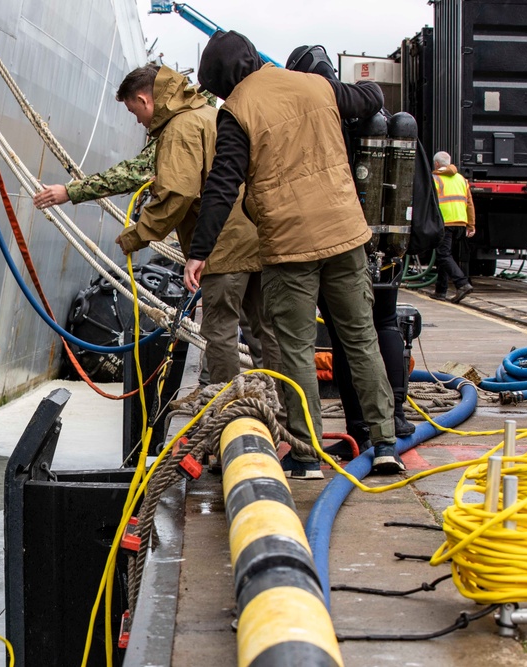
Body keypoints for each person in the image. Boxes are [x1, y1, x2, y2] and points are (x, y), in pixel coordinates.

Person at [186, 31, 402, 477]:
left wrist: (199, 251)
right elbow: (371, 96)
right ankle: (384, 444)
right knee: (361, 340)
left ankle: (306, 457)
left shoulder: (237, 110)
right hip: (346, 234)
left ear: (223, 79)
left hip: (290, 247)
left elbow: (223, 185)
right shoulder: (315, 85)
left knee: (296, 350)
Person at [80, 62, 279, 389]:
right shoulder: (210, 115)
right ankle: (282, 409)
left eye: (134, 113)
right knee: (263, 329)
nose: (139, 121)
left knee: (219, 330)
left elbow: (178, 193)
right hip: (254, 236)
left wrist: (137, 235)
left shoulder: (179, 128)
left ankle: (224, 407)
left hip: (222, 244)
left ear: (145, 101)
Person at [285, 44, 417, 457]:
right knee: (384, 325)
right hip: (385, 238)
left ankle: (355, 432)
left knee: (346, 339)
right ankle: (391, 423)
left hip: (338, 239)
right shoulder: (360, 107)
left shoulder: (313, 114)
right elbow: (374, 93)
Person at [432, 151, 476, 303]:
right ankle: (440, 290)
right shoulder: (461, 179)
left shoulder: (435, 179)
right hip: (460, 223)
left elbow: (430, 203)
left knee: (443, 255)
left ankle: (462, 283)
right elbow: (469, 203)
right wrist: (471, 224)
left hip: (446, 222)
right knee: (446, 255)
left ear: (437, 164)